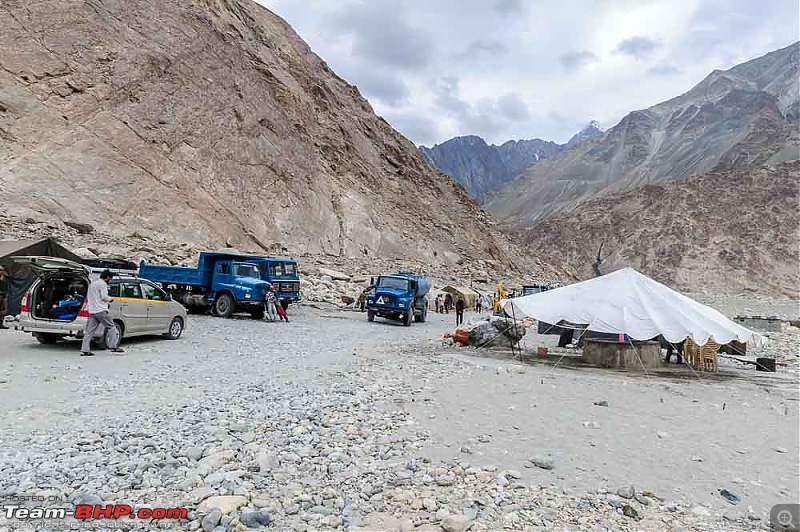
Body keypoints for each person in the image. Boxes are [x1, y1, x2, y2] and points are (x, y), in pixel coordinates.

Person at [80, 270, 123, 356]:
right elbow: (104, 297)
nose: (109, 280)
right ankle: (113, 346)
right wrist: (110, 299)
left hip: (92, 311)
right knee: (112, 327)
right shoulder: (103, 284)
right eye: (109, 279)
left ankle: (85, 349)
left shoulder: (92, 284)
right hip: (101, 310)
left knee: (89, 332)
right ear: (107, 277)